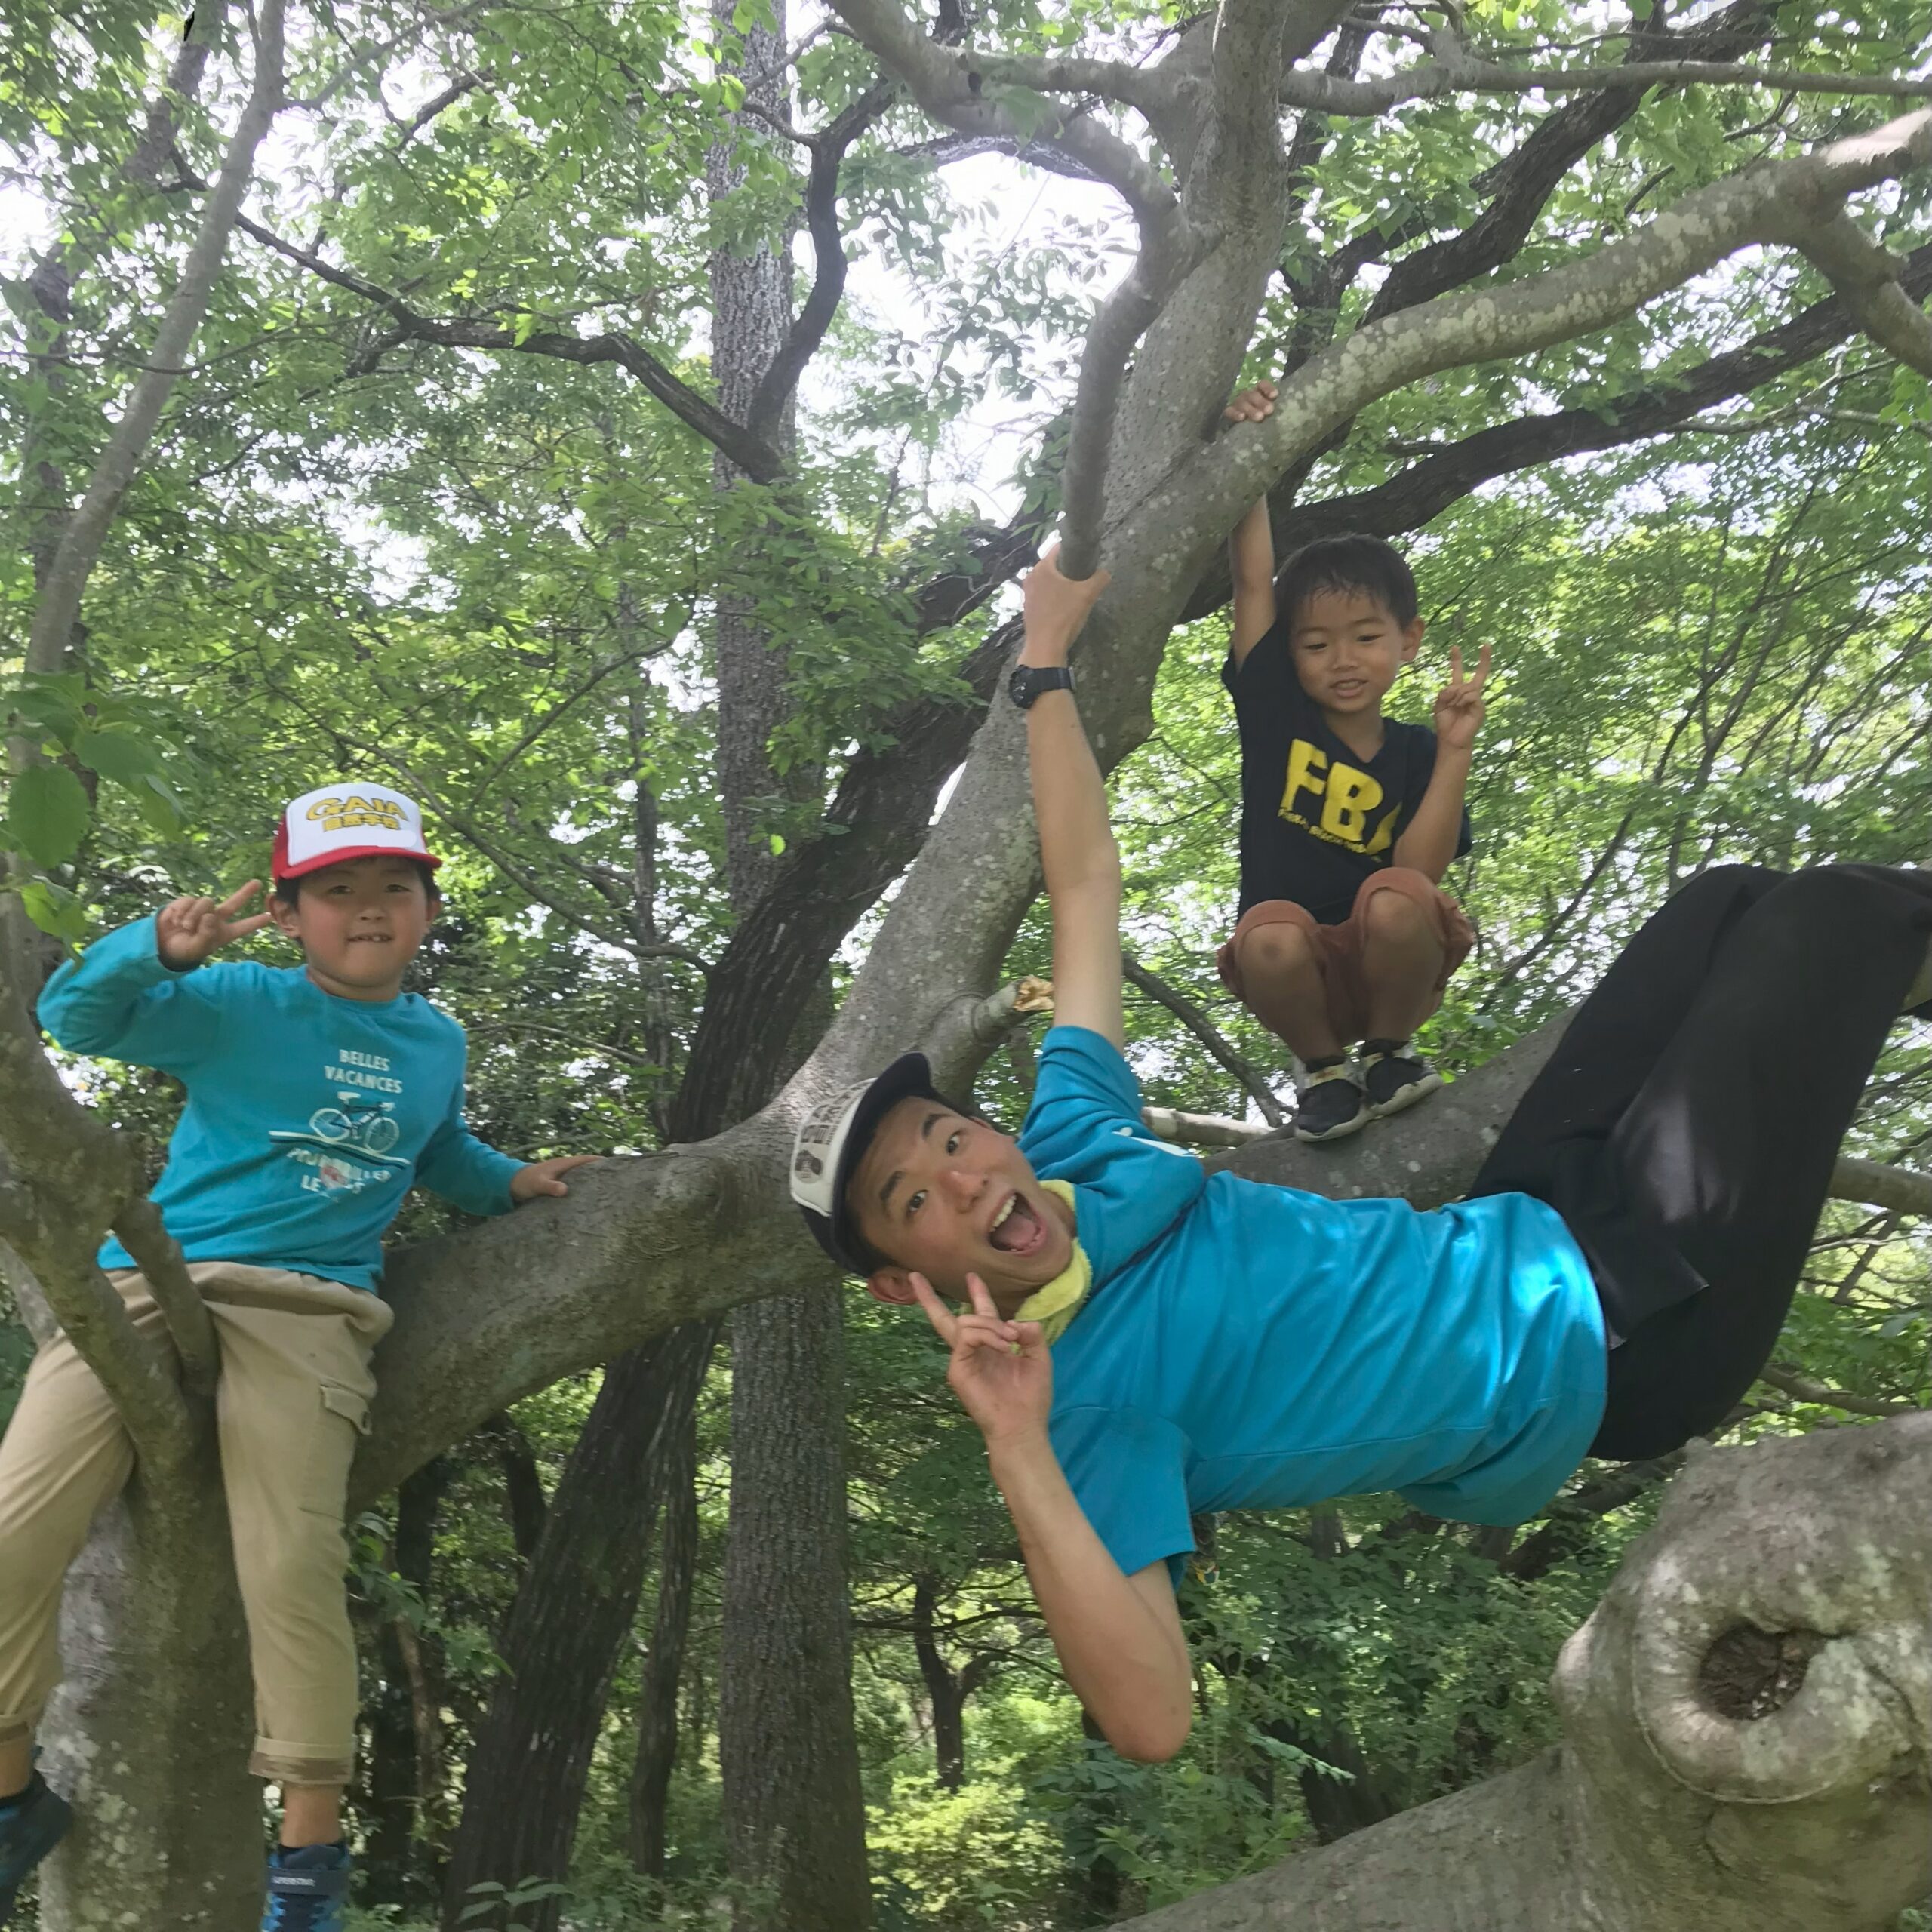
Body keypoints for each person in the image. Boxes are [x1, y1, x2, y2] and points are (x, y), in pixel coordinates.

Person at [789, 547, 1932, 1764]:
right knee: (1823, 922)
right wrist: (1015, 1443)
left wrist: (1045, 659)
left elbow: (1083, 885)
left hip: (1523, 1225)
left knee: (1727, 902)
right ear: (900, 1281)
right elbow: (1151, 1719)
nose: (965, 1176)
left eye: (950, 1136)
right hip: (1614, 1344)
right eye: (915, 1198)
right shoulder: (1084, 1403)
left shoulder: (1077, 1141)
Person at [0, 783, 598, 1930]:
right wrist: (154, 949)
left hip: (308, 1310)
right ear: (286, 916)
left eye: (393, 887)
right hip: (152, 1282)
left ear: (427, 910)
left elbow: (438, 1150)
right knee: (18, 1524)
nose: (368, 908)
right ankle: (12, 1799)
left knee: (291, 1561)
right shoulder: (236, 999)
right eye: (337, 890)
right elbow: (76, 1018)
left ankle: (309, 1868)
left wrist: (511, 1180)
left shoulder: (435, 1039)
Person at [1218, 380, 1485, 1143]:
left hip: (1394, 966)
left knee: (1396, 894)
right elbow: (1251, 580)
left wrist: (1455, 751)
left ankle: (1390, 1053)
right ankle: (1325, 1074)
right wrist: (1248, 453)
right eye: (1315, 643)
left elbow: (1418, 874)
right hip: (1296, 977)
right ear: (1289, 653)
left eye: (1366, 638)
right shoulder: (1275, 713)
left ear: (1408, 640)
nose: (1342, 659)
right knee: (1266, 929)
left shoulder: (1417, 750)